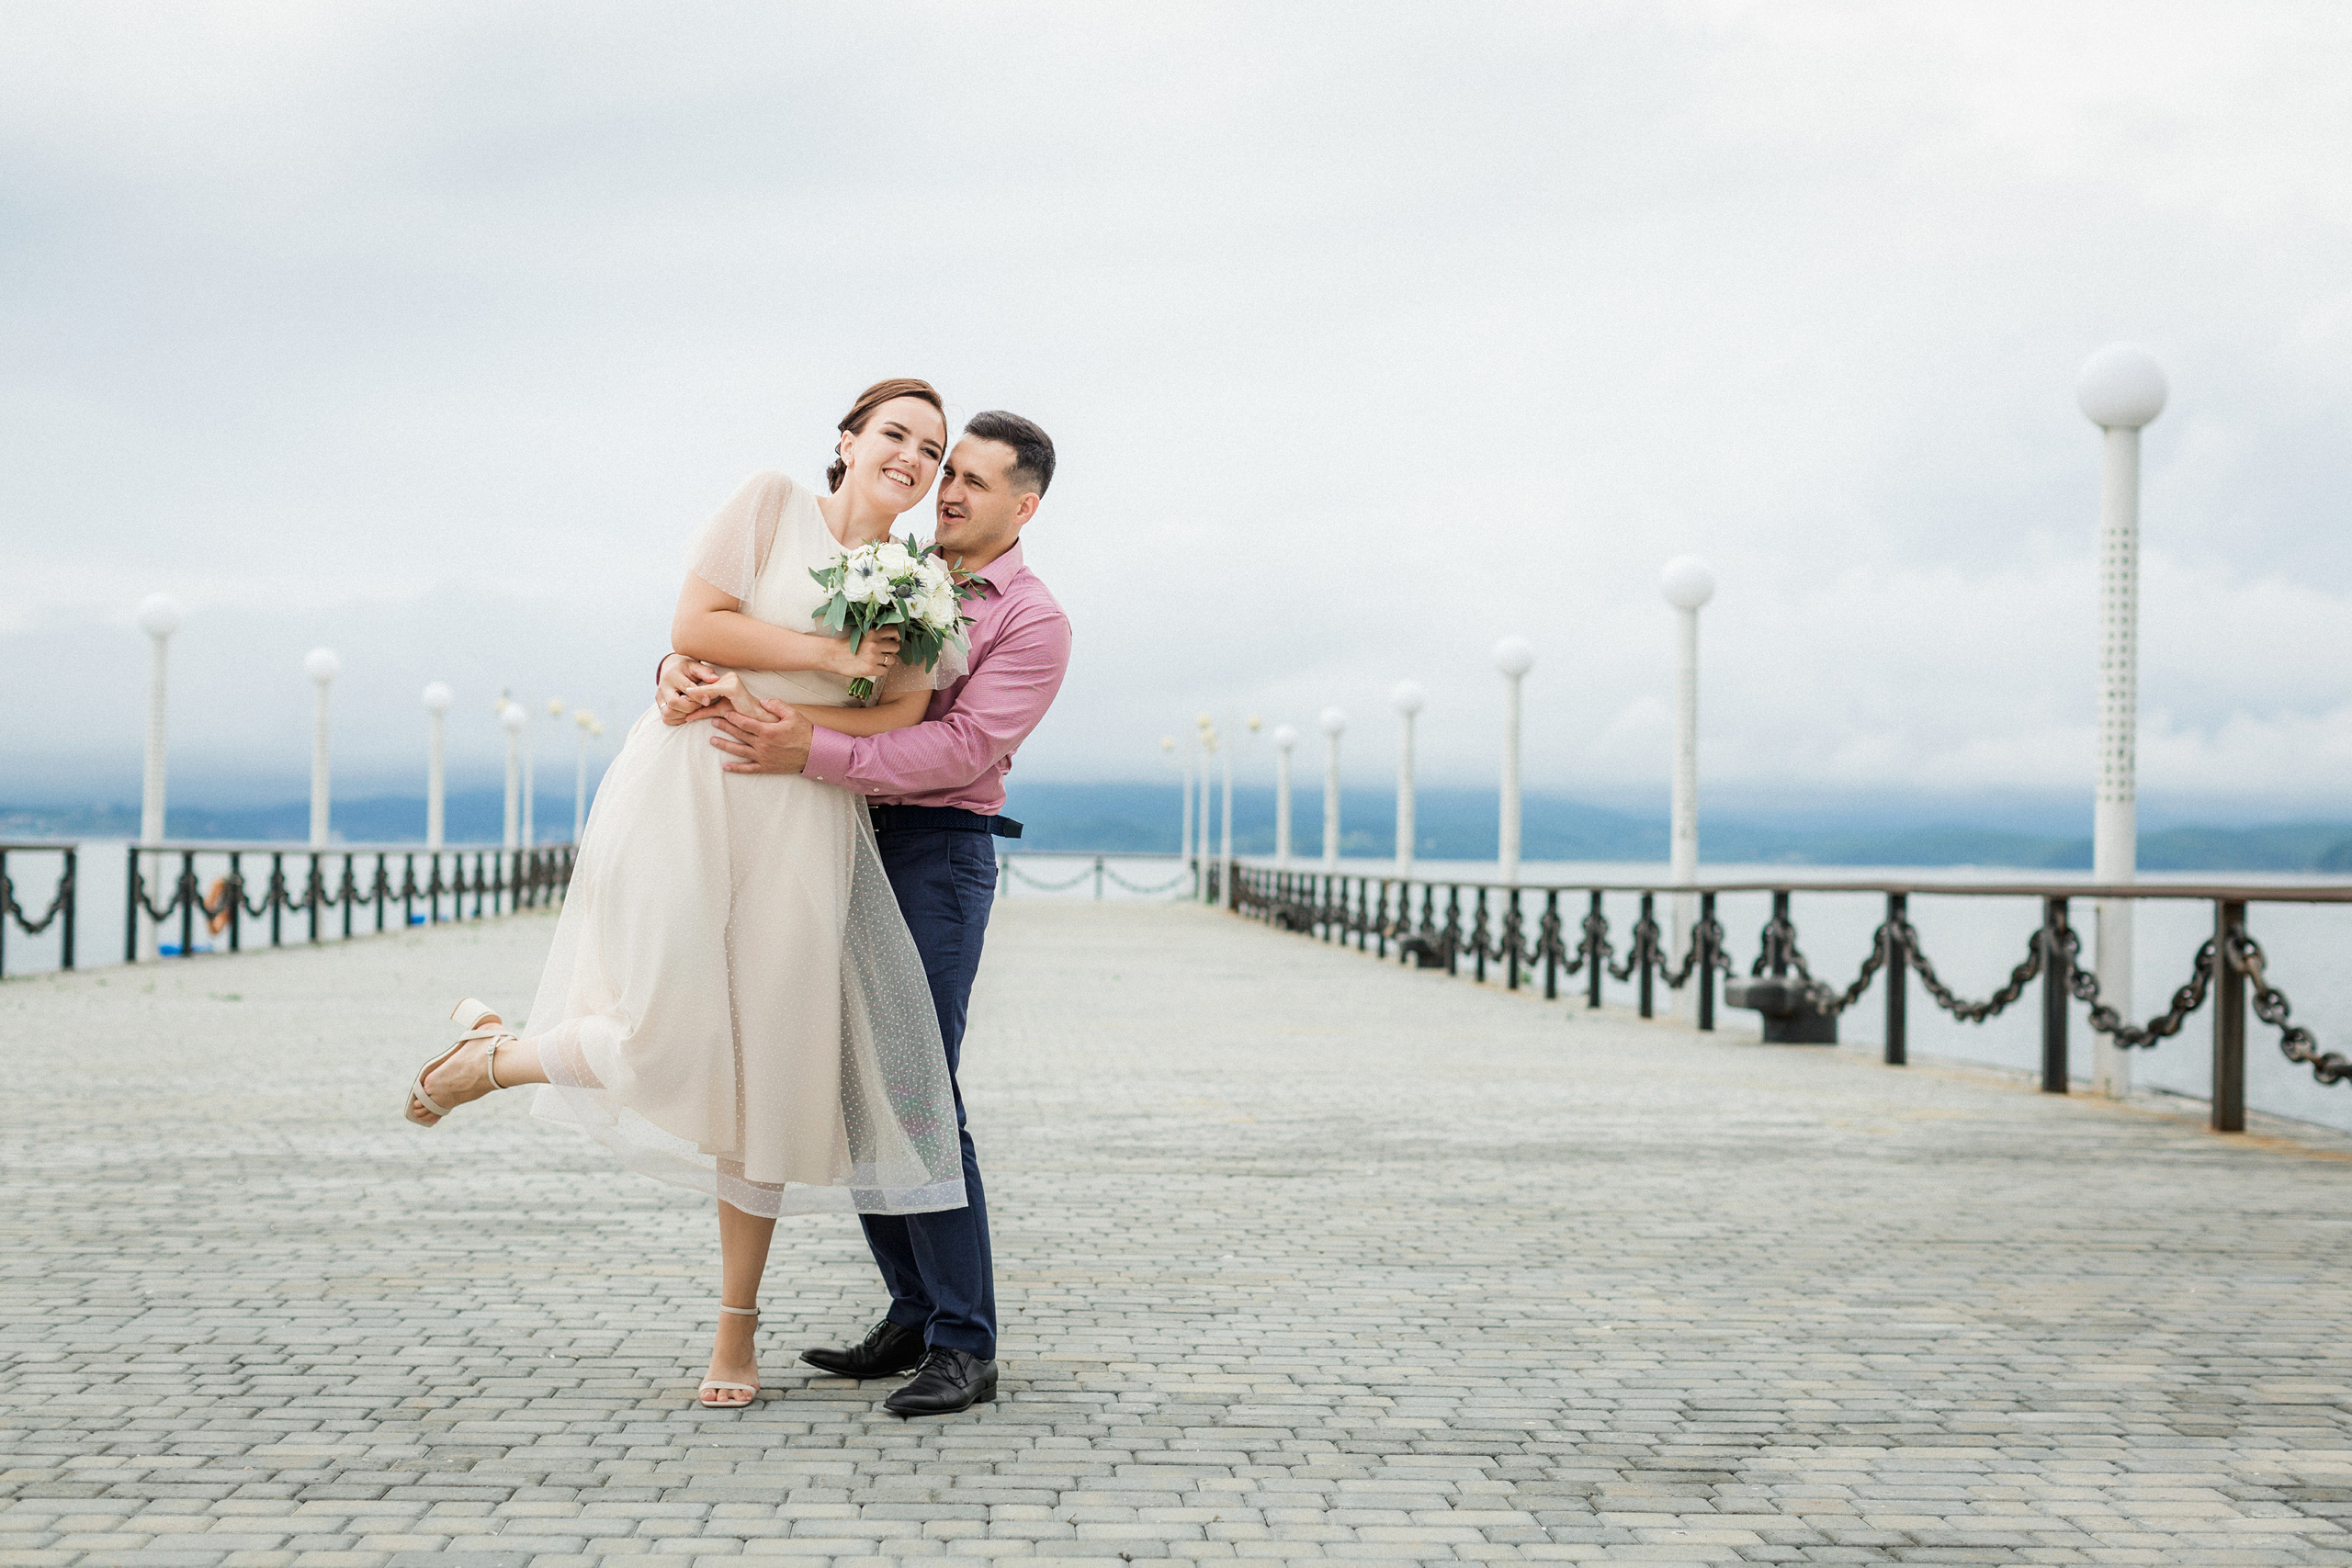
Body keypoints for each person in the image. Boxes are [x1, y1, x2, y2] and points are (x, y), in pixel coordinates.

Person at [400, 378, 974, 1413]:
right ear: (847, 440)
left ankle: (734, 1335)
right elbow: (696, 621)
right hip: (690, 784)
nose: (913, 458)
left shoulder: (922, 584)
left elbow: (906, 709)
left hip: (802, 819)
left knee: (761, 1074)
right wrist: (816, 656)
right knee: (665, 1031)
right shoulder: (769, 506)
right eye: (896, 433)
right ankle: (496, 1061)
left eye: (931, 451)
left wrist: (816, 730)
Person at [656, 408, 1071, 1417]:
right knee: (846, 1081)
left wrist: (813, 752)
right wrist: (675, 674)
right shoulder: (883, 560)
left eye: (973, 479)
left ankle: (966, 1342)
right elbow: (764, 643)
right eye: (947, 471)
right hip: (830, 834)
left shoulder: (1032, 621)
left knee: (916, 1085)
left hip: (934, 853)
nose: (949, 491)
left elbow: (960, 748)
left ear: (1025, 505)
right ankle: (912, 1309)